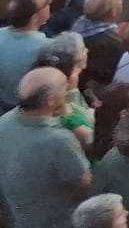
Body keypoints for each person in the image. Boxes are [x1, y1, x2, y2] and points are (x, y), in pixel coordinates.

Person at [0, 65, 93, 222]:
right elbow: (84, 184)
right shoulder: (59, 140)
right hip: (56, 217)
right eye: (64, 87)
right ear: (50, 100)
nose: (68, 89)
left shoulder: (5, 121)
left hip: (20, 212)